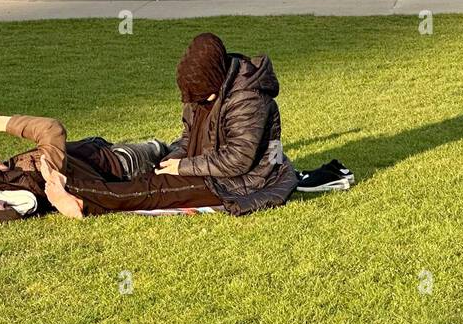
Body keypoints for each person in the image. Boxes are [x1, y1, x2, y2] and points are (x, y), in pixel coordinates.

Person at [39, 32, 299, 219]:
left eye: (202, 96)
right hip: (205, 166)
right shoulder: (202, 92)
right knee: (150, 177)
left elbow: (238, 160)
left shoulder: (248, 100)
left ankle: (76, 195)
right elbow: (187, 136)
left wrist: (182, 167)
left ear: (216, 80)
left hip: (239, 181)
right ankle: (73, 182)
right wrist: (171, 161)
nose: (199, 102)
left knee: (151, 192)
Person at [0, 111, 172, 220]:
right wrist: (1, 122)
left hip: (96, 152)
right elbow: (52, 129)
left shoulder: (11, 179)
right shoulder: (39, 171)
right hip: (120, 163)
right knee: (166, 148)